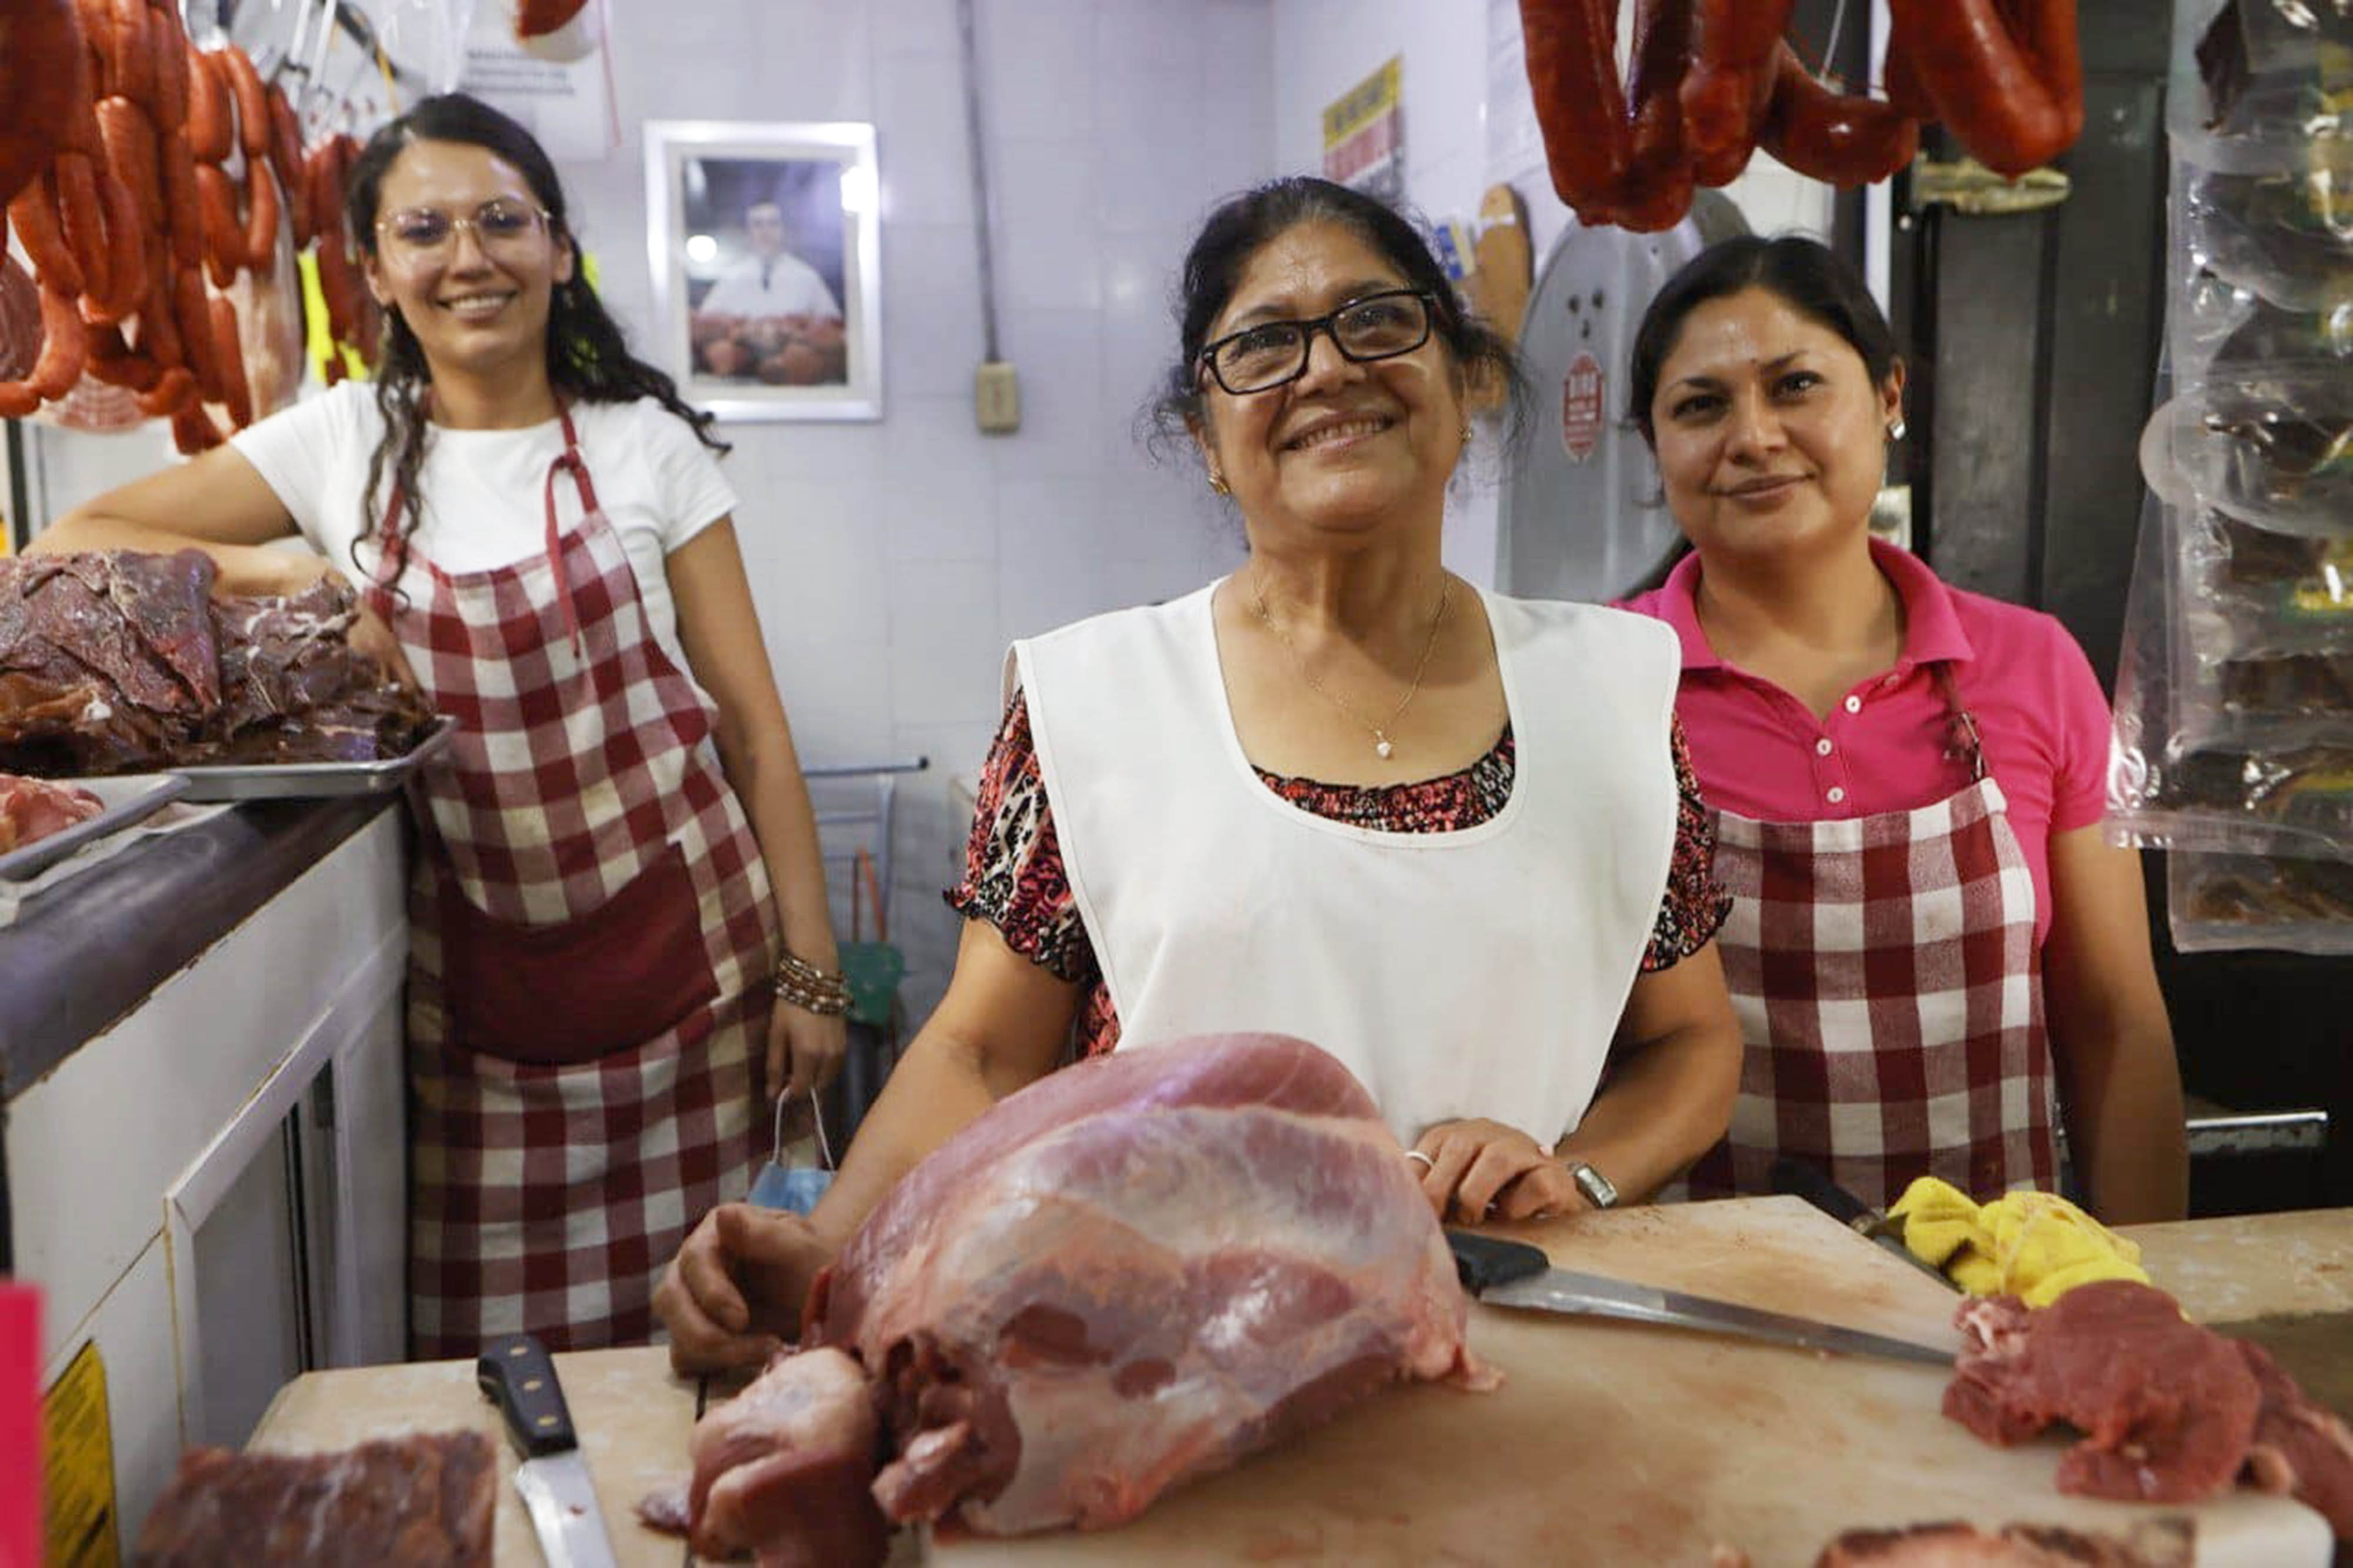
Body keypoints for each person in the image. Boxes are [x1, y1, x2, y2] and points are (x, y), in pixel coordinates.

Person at [655, 175, 1744, 1373]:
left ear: (1464, 375)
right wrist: (829, 1253)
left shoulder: (1608, 693)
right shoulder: (1090, 703)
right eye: (1264, 345)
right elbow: (980, 1052)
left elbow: (1686, 1046)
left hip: (1522, 1363)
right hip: (1167, 1375)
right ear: (1204, 440)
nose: (1325, 370)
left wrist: (1576, 1168)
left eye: (1376, 321)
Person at [32, 93, 851, 1355]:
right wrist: (298, 575)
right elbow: (71, 537)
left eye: (501, 221)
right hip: (487, 1024)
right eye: (425, 229)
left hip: (704, 993)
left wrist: (812, 973)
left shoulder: (645, 451)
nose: (468, 257)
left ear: (559, 249)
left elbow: (751, 731)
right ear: (374, 269)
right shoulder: (339, 441)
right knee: (499, 1378)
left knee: (725, 1350)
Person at [1617, 234, 2188, 1223]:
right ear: (1654, 443)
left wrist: (2145, 1291)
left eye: (1795, 385)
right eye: (1700, 405)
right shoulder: (1600, 683)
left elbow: (2113, 1021)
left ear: (1889, 397)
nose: (1753, 436)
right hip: (1708, 1310)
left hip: (2002, 1303)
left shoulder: (2032, 665)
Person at [693, 199, 842, 323]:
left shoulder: (806, 277)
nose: (766, 231)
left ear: (784, 228)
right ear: (748, 230)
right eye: (758, 224)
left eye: (773, 223)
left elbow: (832, 323)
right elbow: (705, 321)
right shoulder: (731, 278)